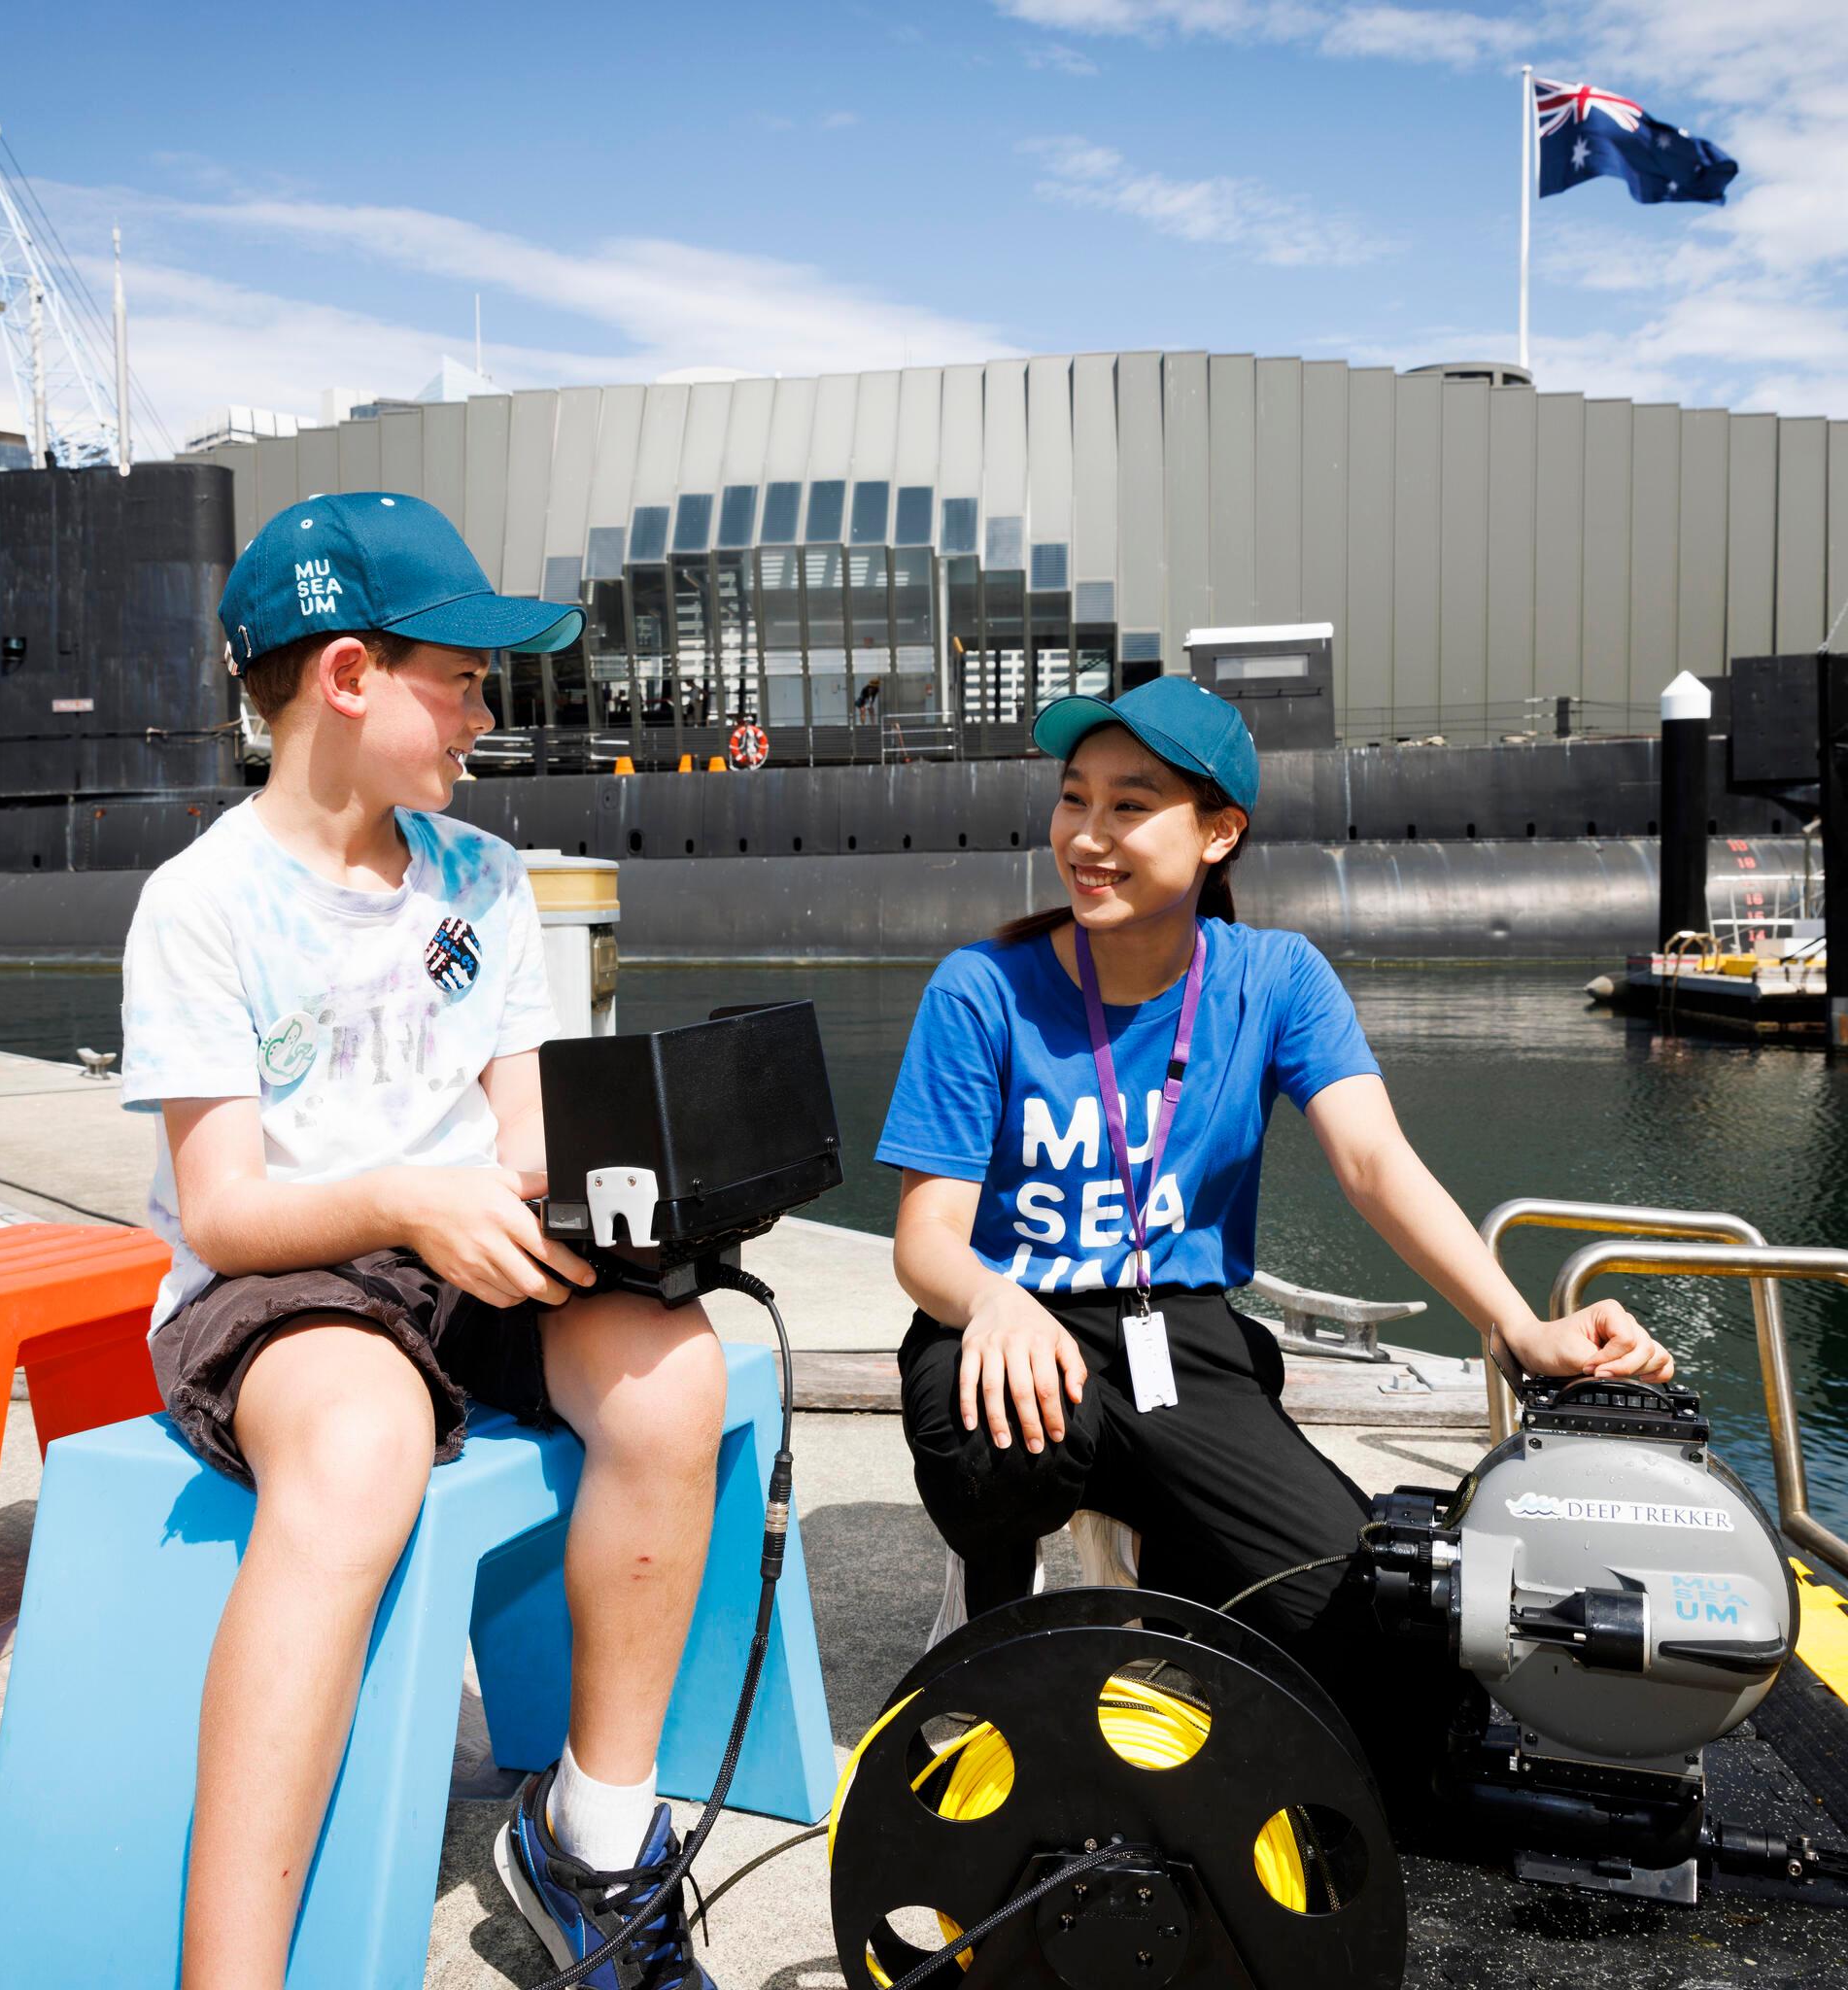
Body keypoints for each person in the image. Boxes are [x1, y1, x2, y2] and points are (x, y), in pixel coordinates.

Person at [120, 493, 725, 1990]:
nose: (483, 710)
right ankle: (232, 1971)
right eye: (458, 674)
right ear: (345, 677)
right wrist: (405, 1200)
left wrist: (598, 1209)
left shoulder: (486, 878)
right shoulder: (196, 908)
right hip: (287, 1276)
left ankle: (592, 1835)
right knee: (361, 1446)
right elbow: (226, 1211)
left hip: (464, 1246)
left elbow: (520, 1142)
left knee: (676, 1376)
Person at [875, 675, 1674, 1809]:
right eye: (1071, 800)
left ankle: (1170, 1559)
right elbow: (926, 1242)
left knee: (1388, 1678)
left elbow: (1373, 1162)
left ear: (1216, 833)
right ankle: (986, 1609)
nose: (1086, 837)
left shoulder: (1274, 977)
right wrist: (997, 1302)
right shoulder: (981, 990)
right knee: (1000, 1433)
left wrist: (1517, 1324)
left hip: (1177, 1331)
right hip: (1010, 1321)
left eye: (1128, 806)